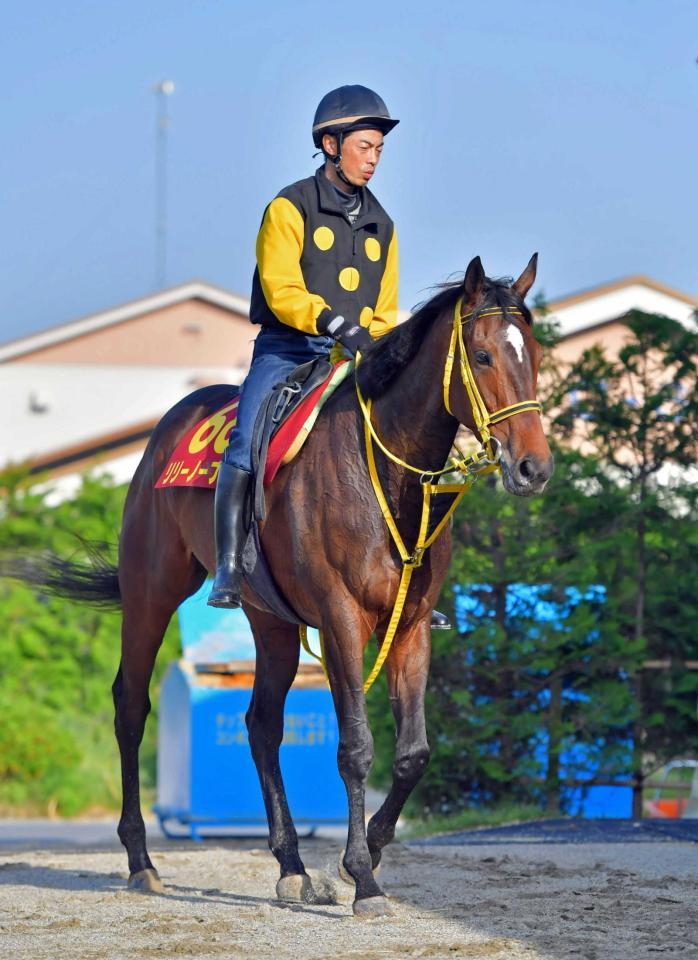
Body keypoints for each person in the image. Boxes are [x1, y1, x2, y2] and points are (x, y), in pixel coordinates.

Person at [208, 84, 451, 631]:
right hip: (288, 349)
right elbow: (281, 289)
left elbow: (383, 311)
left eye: (379, 149)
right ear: (330, 144)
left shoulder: (384, 225)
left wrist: (385, 349)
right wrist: (333, 322)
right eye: (365, 146)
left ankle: (414, 581)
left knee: (411, 438)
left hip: (357, 355)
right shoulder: (288, 207)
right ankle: (228, 567)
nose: (374, 158)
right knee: (247, 438)